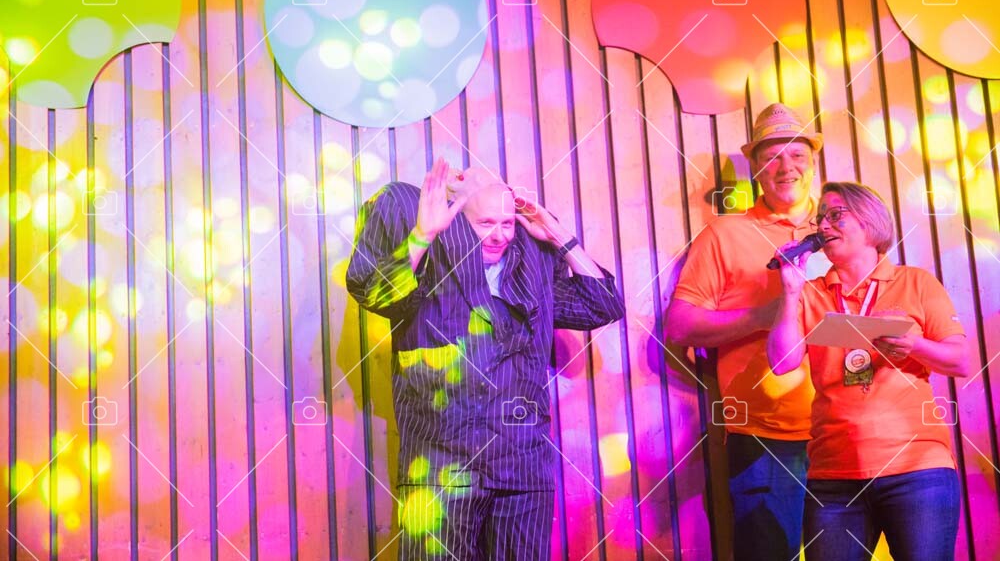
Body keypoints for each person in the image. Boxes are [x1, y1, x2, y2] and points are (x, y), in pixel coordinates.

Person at [346, 158, 625, 560]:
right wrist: (423, 235)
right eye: (485, 224)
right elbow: (375, 293)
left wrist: (558, 235)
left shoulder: (530, 271)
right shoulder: (430, 265)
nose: (498, 236)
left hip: (521, 470)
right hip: (443, 470)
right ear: (460, 220)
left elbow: (603, 304)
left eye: (507, 224)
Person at [767, 181, 969, 560]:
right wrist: (790, 292)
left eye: (835, 215)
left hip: (916, 471)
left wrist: (914, 345)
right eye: (820, 218)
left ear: (870, 221)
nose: (823, 226)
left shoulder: (915, 282)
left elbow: (960, 360)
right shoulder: (810, 293)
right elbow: (781, 363)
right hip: (833, 480)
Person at [665, 103, 829, 560]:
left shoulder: (840, 228)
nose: (786, 166)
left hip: (848, 430)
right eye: (772, 157)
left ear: (813, 163)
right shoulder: (725, 234)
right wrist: (764, 315)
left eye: (797, 155)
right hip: (766, 437)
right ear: (755, 168)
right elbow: (680, 325)